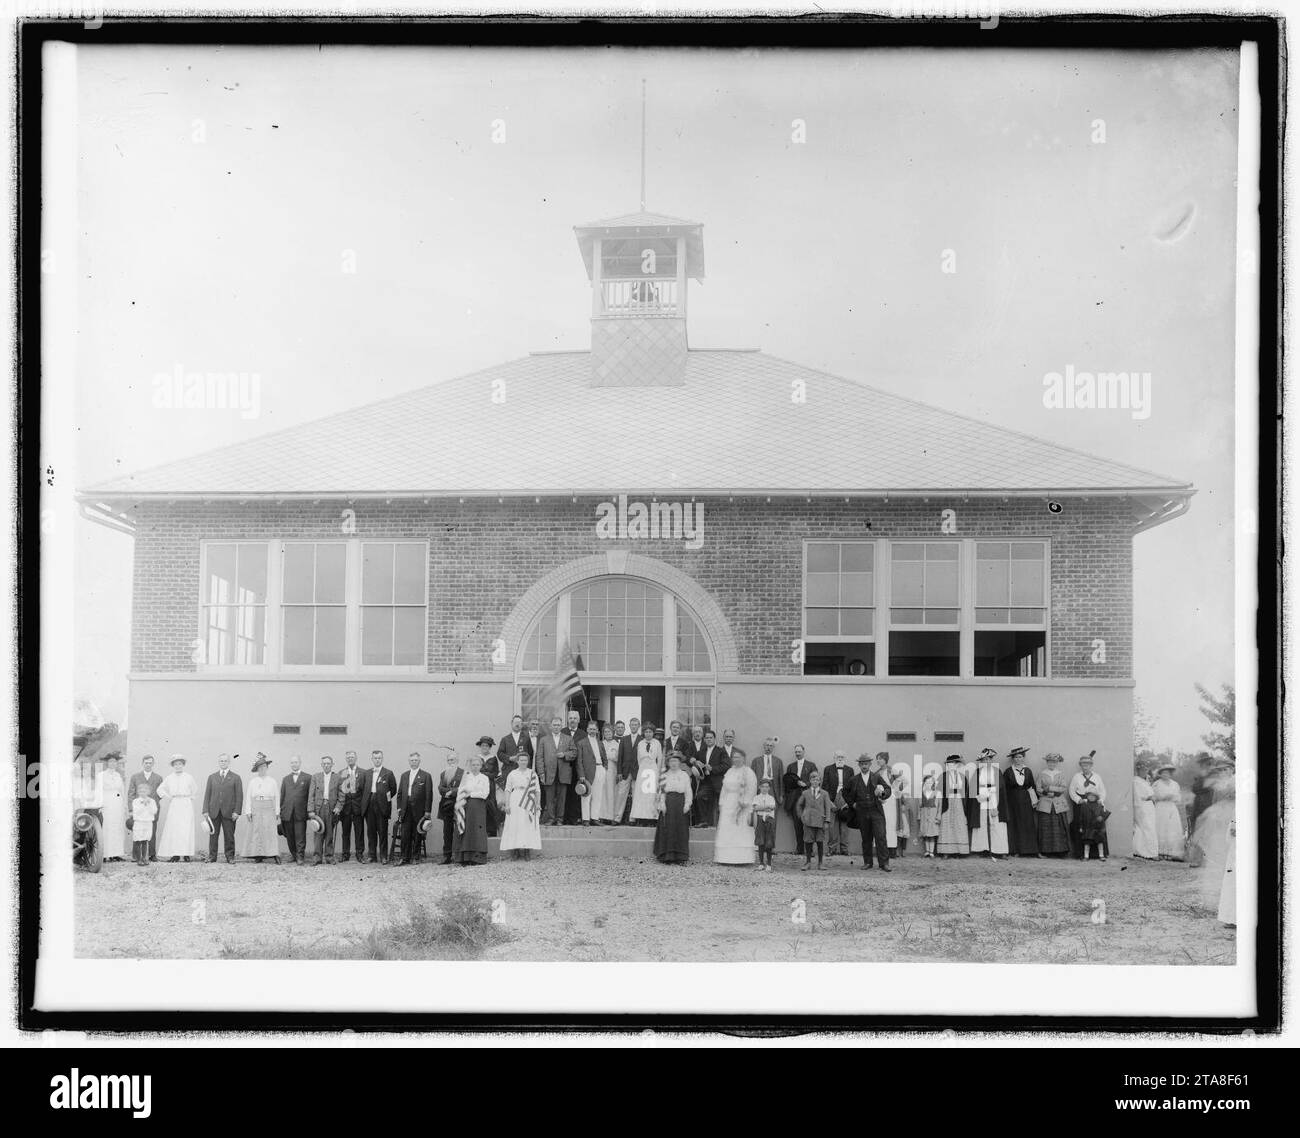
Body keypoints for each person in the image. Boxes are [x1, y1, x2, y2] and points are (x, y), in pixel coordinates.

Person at [845, 753, 892, 871]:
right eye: (862, 764)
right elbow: (844, 792)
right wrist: (852, 804)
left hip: (876, 811)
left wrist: (882, 794)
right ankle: (868, 862)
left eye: (866, 764)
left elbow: (888, 789)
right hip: (862, 812)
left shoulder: (876, 777)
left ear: (870, 764)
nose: (864, 766)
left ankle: (884, 863)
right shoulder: (854, 779)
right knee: (866, 838)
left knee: (881, 836)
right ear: (859, 765)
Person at [714, 748, 758, 865]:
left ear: (744, 758)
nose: (736, 759)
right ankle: (725, 858)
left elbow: (752, 789)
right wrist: (721, 803)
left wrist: (745, 803)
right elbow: (724, 789)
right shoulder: (729, 771)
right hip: (728, 803)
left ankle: (742, 858)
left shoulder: (748, 772)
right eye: (734, 757)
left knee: (740, 829)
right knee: (727, 829)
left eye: (739, 757)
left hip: (741, 804)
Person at [202, 751, 243, 864]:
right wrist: (205, 810)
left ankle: (230, 857)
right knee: (213, 835)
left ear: (229, 762)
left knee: (229, 835)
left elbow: (239, 796)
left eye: (225, 761)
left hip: (229, 812)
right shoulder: (212, 777)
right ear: (218, 762)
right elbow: (207, 795)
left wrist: (237, 812)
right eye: (221, 761)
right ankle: (212, 856)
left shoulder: (236, 778)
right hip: (214, 811)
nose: (223, 762)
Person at [500, 751, 542, 860]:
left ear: (528, 761)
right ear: (517, 761)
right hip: (515, 799)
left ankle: (527, 850)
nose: (523, 762)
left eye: (525, 760)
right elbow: (508, 790)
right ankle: (515, 850)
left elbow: (537, 790)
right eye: (521, 760)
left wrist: (538, 803)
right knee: (515, 824)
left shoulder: (532, 773)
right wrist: (507, 804)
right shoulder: (512, 773)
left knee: (527, 823)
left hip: (528, 798)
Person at [653, 751, 693, 865]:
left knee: (680, 830)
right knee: (668, 828)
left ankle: (681, 857)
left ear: (680, 762)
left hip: (680, 803)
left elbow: (688, 791)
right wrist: (662, 804)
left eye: (676, 761)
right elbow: (661, 792)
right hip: (668, 803)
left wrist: (687, 804)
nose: (674, 763)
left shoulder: (684, 775)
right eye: (671, 761)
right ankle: (667, 856)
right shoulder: (664, 775)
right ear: (668, 763)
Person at [397, 750, 436, 865]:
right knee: (405, 833)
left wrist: (427, 811)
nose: (414, 762)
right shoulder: (404, 775)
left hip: (419, 810)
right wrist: (399, 808)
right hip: (405, 808)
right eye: (412, 760)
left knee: (417, 833)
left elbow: (429, 795)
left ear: (419, 761)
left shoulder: (426, 776)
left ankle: (416, 857)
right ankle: (404, 857)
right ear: (409, 762)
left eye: (416, 760)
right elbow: (400, 794)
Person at [967, 748, 1007, 859]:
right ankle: (982, 849)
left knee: (997, 824)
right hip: (982, 799)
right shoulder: (978, 772)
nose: (986, 762)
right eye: (983, 760)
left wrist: (992, 791)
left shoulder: (997, 771)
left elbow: (1001, 786)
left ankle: (999, 850)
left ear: (991, 760)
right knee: (982, 823)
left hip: (995, 799)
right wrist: (981, 795)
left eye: (988, 759)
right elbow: (973, 787)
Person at [157, 755, 198, 862]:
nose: (178, 766)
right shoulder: (169, 777)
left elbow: (194, 790)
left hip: (185, 804)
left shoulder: (189, 777)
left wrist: (188, 799)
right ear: (173, 766)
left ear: (183, 765)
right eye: (175, 764)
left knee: (186, 828)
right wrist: (168, 797)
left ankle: (186, 854)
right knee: (174, 828)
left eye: (180, 764)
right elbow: (160, 789)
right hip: (175, 804)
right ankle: (175, 854)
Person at [452, 754, 491, 866]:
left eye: (477, 764)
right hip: (466, 805)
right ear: (470, 765)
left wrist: (471, 793)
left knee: (477, 830)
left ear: (481, 766)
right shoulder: (466, 777)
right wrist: (465, 795)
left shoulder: (484, 778)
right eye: (473, 764)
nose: (475, 766)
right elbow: (460, 790)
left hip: (479, 806)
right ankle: (464, 858)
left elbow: (485, 793)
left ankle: (477, 858)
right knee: (466, 829)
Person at [1069, 752, 1109, 860]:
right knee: (1081, 826)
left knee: (1096, 826)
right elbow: (1071, 790)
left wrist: (1100, 800)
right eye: (1083, 765)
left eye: (1087, 765)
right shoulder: (1076, 776)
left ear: (1091, 766)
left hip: (1094, 804)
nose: (1085, 767)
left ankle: (1097, 854)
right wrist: (1078, 800)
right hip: (1082, 804)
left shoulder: (1097, 777)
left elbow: (1102, 790)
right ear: (1080, 766)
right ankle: (1081, 853)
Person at [359, 749, 397, 864]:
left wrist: (384, 800)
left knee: (382, 831)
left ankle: (384, 856)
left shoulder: (388, 773)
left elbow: (393, 789)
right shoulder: (366, 773)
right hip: (369, 805)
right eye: (375, 758)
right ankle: (372, 856)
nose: (377, 760)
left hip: (382, 806)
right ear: (372, 759)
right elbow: (361, 789)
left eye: (379, 758)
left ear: (382, 758)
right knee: (371, 832)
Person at [537, 715, 575, 826]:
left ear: (561, 726)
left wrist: (564, 754)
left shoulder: (568, 738)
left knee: (561, 798)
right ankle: (550, 819)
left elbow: (574, 752)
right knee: (549, 798)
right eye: (554, 725)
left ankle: (559, 819)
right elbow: (539, 757)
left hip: (563, 773)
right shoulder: (544, 739)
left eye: (558, 725)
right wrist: (541, 773)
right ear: (550, 726)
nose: (556, 727)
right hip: (548, 773)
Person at [1001, 747, 1039, 857]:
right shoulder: (1008, 771)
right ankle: (1016, 850)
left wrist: (1034, 801)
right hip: (1013, 801)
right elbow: (1005, 788)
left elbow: (1031, 786)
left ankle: (1029, 850)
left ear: (1023, 758)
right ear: (1013, 759)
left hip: (1026, 801)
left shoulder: (1028, 770)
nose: (1018, 759)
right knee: (1015, 824)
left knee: (1027, 824)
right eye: (1016, 757)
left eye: (1020, 757)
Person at [126, 754, 163, 862]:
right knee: (138, 832)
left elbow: (161, 793)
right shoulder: (135, 777)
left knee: (151, 832)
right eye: (146, 763)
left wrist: (153, 802)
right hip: (138, 810)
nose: (148, 765)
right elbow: (131, 794)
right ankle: (136, 856)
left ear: (153, 764)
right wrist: (131, 810)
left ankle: (151, 854)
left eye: (150, 763)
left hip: (151, 809)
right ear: (142, 764)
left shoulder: (158, 778)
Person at [244, 755, 281, 864]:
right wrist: (248, 811)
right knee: (257, 831)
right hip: (256, 807)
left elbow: (277, 797)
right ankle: (258, 855)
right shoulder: (253, 782)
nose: (262, 769)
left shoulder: (272, 781)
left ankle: (274, 854)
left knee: (270, 831)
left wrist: (277, 811)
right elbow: (248, 797)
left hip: (269, 806)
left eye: (264, 767)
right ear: (257, 769)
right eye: (260, 767)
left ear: (267, 768)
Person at [1035, 752, 1071, 857]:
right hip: (1045, 803)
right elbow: (1038, 788)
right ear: (1047, 762)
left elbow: (1063, 787)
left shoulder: (1060, 774)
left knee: (1059, 826)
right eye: (1050, 762)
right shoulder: (1042, 774)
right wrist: (1045, 792)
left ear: (1057, 763)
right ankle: (1045, 851)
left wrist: (1051, 789)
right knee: (1045, 827)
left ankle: (1061, 851)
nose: (1052, 764)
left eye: (1054, 762)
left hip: (1058, 802)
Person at [307, 755, 341, 866]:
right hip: (318, 808)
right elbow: (311, 795)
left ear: (332, 765)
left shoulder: (337, 777)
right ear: (322, 765)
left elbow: (342, 794)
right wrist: (311, 810)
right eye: (324, 764)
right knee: (318, 833)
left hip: (331, 809)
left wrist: (338, 807)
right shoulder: (315, 777)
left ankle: (329, 857)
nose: (326, 765)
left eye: (328, 763)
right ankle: (317, 858)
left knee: (329, 833)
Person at [822, 750, 856, 858]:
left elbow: (853, 788)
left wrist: (848, 802)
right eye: (838, 757)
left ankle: (844, 849)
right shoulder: (828, 769)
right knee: (832, 825)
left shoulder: (850, 770)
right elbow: (825, 786)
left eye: (842, 757)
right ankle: (832, 849)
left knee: (845, 825)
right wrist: (829, 802)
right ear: (834, 758)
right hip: (832, 798)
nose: (840, 759)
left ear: (844, 758)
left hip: (845, 799)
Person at [797, 770, 834, 871]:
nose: (815, 781)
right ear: (809, 781)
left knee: (820, 842)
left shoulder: (824, 794)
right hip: (808, 821)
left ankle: (820, 863)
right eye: (813, 779)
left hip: (820, 822)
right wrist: (802, 816)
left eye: (817, 779)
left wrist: (827, 821)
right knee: (808, 842)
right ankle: (808, 862)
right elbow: (799, 805)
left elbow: (827, 808)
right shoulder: (805, 793)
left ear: (820, 781)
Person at [279, 755, 312, 866]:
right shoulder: (286, 779)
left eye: (296, 762)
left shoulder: (308, 778)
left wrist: (309, 811)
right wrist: (281, 811)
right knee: (290, 836)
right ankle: (294, 855)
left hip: (300, 812)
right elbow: (282, 796)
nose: (294, 764)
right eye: (292, 762)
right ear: (290, 764)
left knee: (300, 835)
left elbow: (310, 796)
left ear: (300, 763)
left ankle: (300, 857)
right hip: (287, 812)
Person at [783, 744, 816, 854]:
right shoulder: (791, 766)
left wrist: (804, 784)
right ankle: (799, 849)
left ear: (804, 751)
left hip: (807, 798)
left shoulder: (811, 765)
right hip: (794, 800)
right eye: (796, 752)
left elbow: (815, 780)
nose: (797, 753)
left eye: (799, 751)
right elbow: (787, 783)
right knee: (797, 825)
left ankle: (809, 850)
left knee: (808, 825)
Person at [630, 721, 664, 825]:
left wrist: (658, 773)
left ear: (653, 733)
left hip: (653, 770)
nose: (648, 734)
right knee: (642, 795)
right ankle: (642, 818)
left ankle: (652, 818)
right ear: (644, 733)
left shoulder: (657, 743)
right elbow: (638, 759)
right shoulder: (640, 743)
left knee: (651, 795)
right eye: (646, 732)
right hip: (643, 771)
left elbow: (660, 759)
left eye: (650, 732)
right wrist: (643, 769)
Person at [1151, 761, 1186, 861]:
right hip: (1161, 807)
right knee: (1161, 827)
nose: (1165, 775)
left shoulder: (1175, 784)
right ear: (1160, 774)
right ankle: (1160, 851)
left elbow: (1178, 797)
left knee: (1172, 828)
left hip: (1171, 807)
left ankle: (1171, 852)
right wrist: (1162, 797)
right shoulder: (1157, 784)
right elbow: (1154, 796)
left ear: (1170, 774)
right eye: (1163, 773)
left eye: (1167, 773)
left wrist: (1172, 797)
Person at [937, 754, 970, 858]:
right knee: (947, 825)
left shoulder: (962, 777)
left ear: (957, 765)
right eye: (949, 764)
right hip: (947, 802)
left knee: (959, 824)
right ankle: (946, 851)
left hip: (959, 802)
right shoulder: (943, 776)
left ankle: (959, 850)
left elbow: (966, 792)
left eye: (954, 764)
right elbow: (939, 792)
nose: (951, 765)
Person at [750, 740, 785, 836]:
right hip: (760, 788)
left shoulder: (778, 761)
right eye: (767, 745)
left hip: (774, 789)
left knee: (772, 819)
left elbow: (781, 779)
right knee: (759, 818)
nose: (768, 747)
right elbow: (751, 779)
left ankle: (770, 847)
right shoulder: (756, 761)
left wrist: (781, 794)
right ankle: (759, 846)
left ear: (773, 747)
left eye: (771, 746)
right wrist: (752, 793)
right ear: (763, 746)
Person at [336, 750, 364, 862]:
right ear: (346, 759)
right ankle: (345, 854)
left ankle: (359, 854)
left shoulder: (363, 773)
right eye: (348, 758)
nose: (350, 759)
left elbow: (365, 791)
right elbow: (339, 791)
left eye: (352, 757)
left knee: (359, 832)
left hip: (358, 808)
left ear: (356, 758)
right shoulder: (341, 773)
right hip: (346, 808)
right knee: (345, 832)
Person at [436, 750, 463, 865]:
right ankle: (446, 856)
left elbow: (464, 787)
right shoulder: (444, 773)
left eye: (453, 760)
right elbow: (440, 788)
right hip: (446, 806)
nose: (451, 762)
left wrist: (451, 792)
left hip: (458, 805)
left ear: (457, 760)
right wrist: (447, 792)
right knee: (446, 831)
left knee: (459, 830)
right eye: (449, 760)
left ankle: (459, 856)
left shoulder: (463, 773)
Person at [696, 729, 726, 828]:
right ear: (704, 739)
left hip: (718, 782)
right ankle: (704, 821)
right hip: (706, 782)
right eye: (707, 738)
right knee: (699, 796)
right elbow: (698, 765)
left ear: (714, 739)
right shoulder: (701, 752)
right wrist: (698, 765)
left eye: (710, 738)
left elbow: (726, 765)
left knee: (720, 804)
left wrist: (713, 769)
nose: (709, 740)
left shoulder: (721, 751)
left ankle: (723, 825)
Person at [575, 721, 604, 826]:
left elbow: (604, 757)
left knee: (598, 796)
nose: (592, 731)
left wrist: (604, 768)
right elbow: (579, 761)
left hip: (600, 769)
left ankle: (595, 818)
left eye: (594, 729)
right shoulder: (581, 743)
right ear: (587, 730)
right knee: (586, 795)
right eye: (590, 729)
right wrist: (581, 774)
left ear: (597, 730)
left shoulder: (600, 742)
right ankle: (586, 819)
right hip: (587, 772)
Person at [100, 754, 127, 861]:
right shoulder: (101, 775)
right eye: (111, 761)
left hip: (117, 803)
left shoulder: (118, 776)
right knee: (107, 826)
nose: (113, 764)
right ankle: (105, 854)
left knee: (117, 826)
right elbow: (99, 791)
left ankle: (116, 853)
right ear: (107, 763)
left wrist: (124, 805)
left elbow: (122, 791)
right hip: (107, 802)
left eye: (115, 762)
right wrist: (100, 804)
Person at [614, 716, 640, 824]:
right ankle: (617, 818)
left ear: (638, 726)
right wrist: (619, 771)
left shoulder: (642, 739)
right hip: (624, 772)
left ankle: (632, 819)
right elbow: (620, 757)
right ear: (629, 726)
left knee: (635, 795)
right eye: (632, 725)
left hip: (636, 772)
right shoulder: (624, 739)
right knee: (621, 794)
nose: (633, 726)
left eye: (636, 725)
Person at [1131, 762, 1159, 860]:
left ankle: (1143, 850)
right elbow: (1139, 796)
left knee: (1150, 827)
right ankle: (1149, 853)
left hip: (1149, 806)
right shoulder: (1136, 781)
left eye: (1145, 770)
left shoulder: (1145, 781)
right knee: (1146, 828)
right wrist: (1150, 797)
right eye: (1142, 770)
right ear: (1137, 771)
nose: (1144, 772)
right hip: (1142, 806)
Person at [885, 763, 911, 857]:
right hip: (887, 811)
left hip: (896, 811)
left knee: (896, 830)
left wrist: (897, 774)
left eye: (890, 775)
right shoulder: (884, 786)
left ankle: (894, 852)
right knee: (887, 831)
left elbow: (906, 781)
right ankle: (886, 852)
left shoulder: (897, 787)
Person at [752, 777, 778, 871]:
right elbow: (755, 808)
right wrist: (765, 807)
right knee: (760, 842)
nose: (764, 789)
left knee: (769, 843)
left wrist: (762, 807)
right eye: (763, 786)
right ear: (759, 787)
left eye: (767, 787)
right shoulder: (756, 797)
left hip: (769, 821)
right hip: (760, 821)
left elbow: (772, 807)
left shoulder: (771, 798)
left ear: (769, 788)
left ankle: (769, 864)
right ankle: (761, 863)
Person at [596, 724, 620, 823]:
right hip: (602, 769)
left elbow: (617, 758)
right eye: (605, 732)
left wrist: (609, 756)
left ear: (613, 733)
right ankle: (601, 816)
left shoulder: (617, 744)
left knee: (611, 793)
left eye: (609, 732)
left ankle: (611, 817)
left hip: (612, 770)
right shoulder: (600, 743)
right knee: (602, 793)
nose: (607, 734)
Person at [129, 787, 157, 866]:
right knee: (138, 840)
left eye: (144, 791)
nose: (142, 793)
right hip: (139, 822)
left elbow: (154, 811)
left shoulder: (152, 801)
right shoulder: (136, 801)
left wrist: (148, 804)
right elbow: (136, 811)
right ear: (138, 792)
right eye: (140, 791)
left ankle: (145, 858)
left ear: (148, 792)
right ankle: (139, 859)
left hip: (148, 822)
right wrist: (143, 804)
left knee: (145, 840)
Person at [918, 771, 941, 858]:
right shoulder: (922, 794)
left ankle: (931, 851)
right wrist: (919, 817)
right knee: (926, 835)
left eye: (930, 782)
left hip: (933, 816)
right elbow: (919, 807)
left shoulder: (937, 793)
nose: (928, 784)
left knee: (931, 835)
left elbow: (939, 807)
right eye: (927, 782)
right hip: (924, 816)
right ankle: (927, 851)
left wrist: (938, 817)